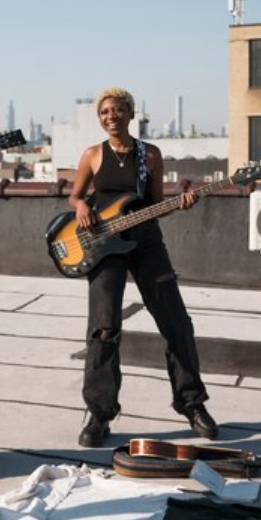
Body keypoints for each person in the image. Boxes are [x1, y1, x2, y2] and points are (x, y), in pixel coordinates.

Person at [67, 87, 218, 448]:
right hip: (105, 247)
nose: (111, 116)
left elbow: (153, 203)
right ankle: (100, 415)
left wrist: (179, 204)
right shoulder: (92, 155)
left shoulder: (149, 155)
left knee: (176, 322)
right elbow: (75, 195)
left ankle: (192, 404)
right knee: (103, 329)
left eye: (118, 110)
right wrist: (80, 206)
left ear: (130, 114)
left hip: (147, 241)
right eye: (104, 111)